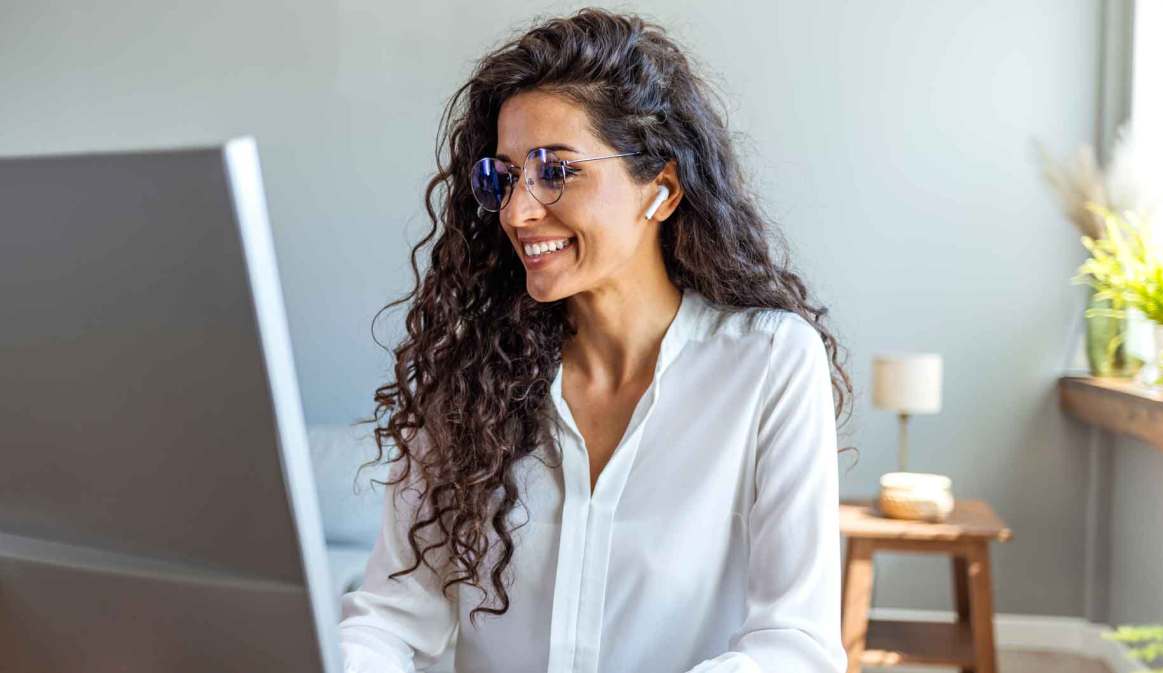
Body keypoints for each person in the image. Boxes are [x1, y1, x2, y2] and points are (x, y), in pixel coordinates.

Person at [339, 7, 857, 673]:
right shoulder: (472, 377)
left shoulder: (768, 363)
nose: (519, 211)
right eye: (503, 177)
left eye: (556, 170)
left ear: (662, 189)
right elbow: (386, 619)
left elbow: (797, 646)